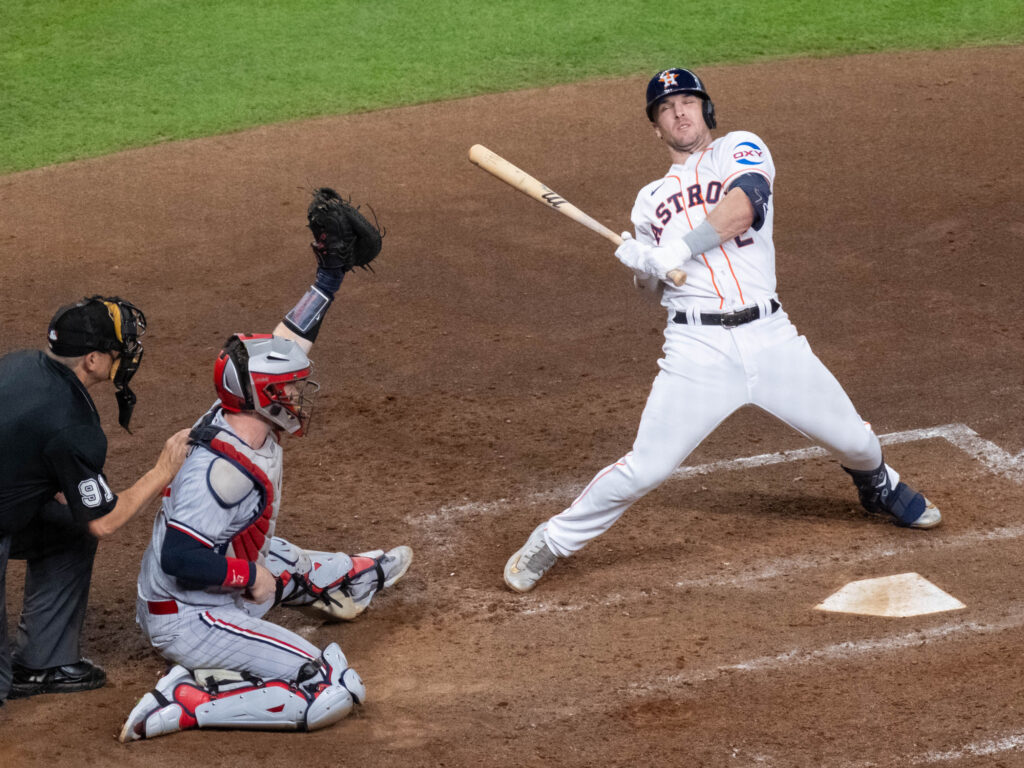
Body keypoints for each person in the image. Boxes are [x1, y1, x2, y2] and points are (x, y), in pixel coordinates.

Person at [504, 68, 941, 594]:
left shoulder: (741, 148)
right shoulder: (648, 202)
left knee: (860, 444)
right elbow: (656, 285)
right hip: (697, 349)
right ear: (656, 128)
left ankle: (876, 486)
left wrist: (677, 248)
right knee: (645, 469)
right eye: (666, 108)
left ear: (706, 110)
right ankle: (553, 540)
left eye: (688, 101)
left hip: (771, 337)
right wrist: (642, 263)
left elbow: (746, 204)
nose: (680, 112)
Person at [119, 188, 412, 741]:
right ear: (268, 396)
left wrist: (329, 277)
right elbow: (184, 556)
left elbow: (287, 341)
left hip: (197, 585)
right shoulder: (220, 473)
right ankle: (185, 700)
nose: (302, 395)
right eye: (293, 390)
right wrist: (250, 576)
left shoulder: (235, 408)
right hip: (189, 616)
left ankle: (345, 581)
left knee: (286, 559)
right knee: (332, 688)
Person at [0, 296, 190, 703]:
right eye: (115, 350)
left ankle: (43, 664)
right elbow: (104, 521)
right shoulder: (72, 422)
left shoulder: (18, 364)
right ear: (91, 360)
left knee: (69, 525)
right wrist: (162, 470)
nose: (124, 355)